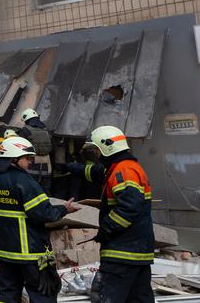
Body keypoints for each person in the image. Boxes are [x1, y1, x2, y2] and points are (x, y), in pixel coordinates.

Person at [0, 136, 80, 303]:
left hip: (5, 253)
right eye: (27, 158)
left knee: (6, 295)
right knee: (43, 293)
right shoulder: (24, 181)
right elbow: (42, 213)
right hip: (31, 255)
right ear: (14, 158)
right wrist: (65, 209)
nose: (30, 163)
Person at [64, 126, 155, 303]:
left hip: (122, 252)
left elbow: (129, 208)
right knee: (138, 299)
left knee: (106, 297)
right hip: (137, 253)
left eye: (96, 150)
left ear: (107, 148)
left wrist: (105, 229)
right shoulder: (121, 168)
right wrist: (70, 167)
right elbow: (96, 173)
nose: (96, 154)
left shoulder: (124, 171)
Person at [17, 109, 55, 190]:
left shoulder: (25, 131)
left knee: (29, 192)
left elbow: (20, 149)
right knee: (45, 193)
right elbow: (53, 147)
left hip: (30, 166)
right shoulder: (47, 130)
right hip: (46, 167)